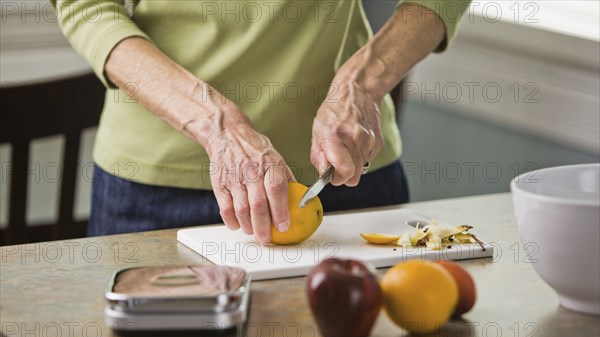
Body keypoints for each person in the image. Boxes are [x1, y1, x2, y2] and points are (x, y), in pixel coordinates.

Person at [52, 0, 468, 243]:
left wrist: (364, 84)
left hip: (347, 174)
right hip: (156, 191)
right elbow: (86, 7)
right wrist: (215, 124)